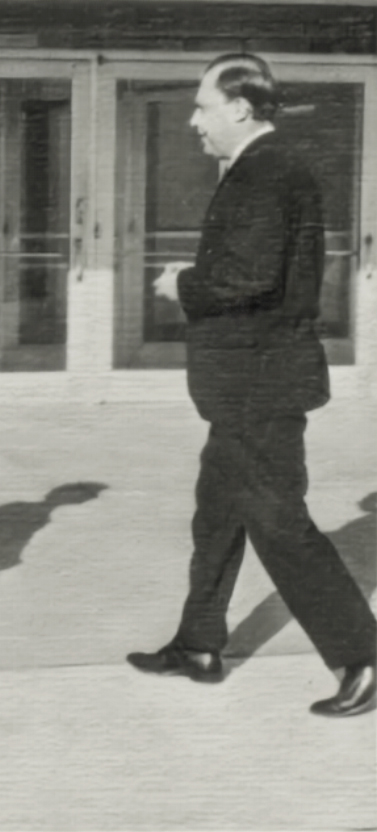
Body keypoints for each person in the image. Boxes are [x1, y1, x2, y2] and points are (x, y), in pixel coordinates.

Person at [127, 54, 376, 717]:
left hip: (259, 386)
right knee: (215, 515)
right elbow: (254, 267)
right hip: (247, 384)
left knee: (280, 525)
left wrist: (178, 283)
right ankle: (199, 644)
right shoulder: (266, 169)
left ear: (240, 107)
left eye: (202, 107)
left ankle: (364, 658)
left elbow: (248, 279)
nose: (192, 121)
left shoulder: (266, 172)